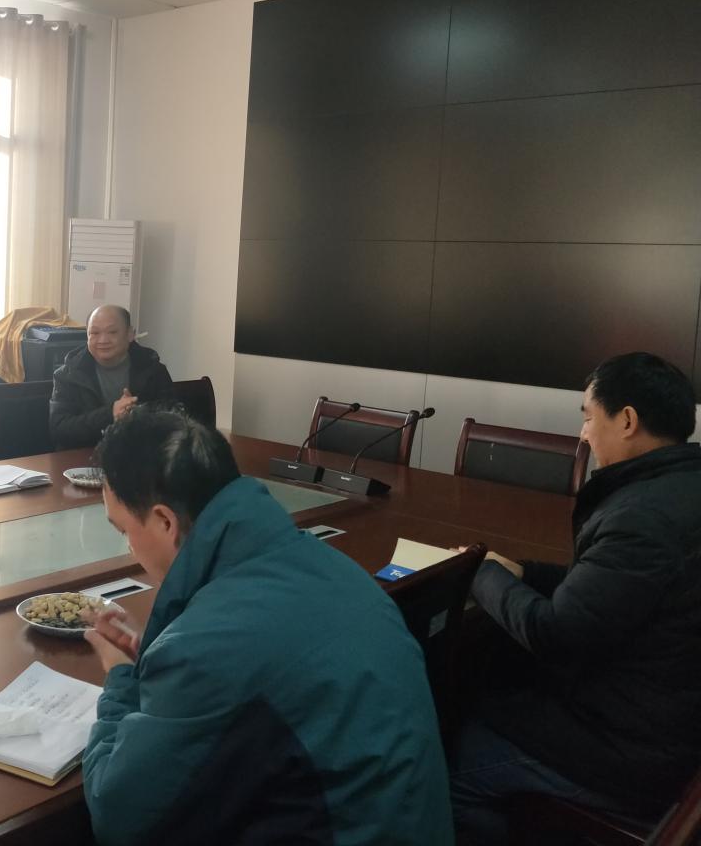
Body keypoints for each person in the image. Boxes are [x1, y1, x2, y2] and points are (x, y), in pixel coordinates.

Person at [81, 409, 452, 846]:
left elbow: (119, 816)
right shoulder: (335, 568)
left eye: (124, 530)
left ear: (165, 521)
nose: (129, 549)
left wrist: (122, 678)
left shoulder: (207, 648)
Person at [450, 352, 701, 843]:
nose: (583, 434)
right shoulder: (681, 488)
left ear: (626, 420)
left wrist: (481, 571)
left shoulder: (641, 518)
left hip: (631, 751)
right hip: (663, 714)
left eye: (588, 417)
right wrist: (525, 572)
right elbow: (610, 589)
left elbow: (556, 636)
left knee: (453, 754)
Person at [49, 306, 176, 450]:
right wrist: (110, 414)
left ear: (130, 334)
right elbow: (59, 429)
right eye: (94, 333)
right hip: (85, 456)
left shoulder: (153, 370)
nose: (103, 340)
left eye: (112, 332)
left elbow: (174, 420)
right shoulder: (67, 375)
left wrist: (136, 415)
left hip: (141, 454)